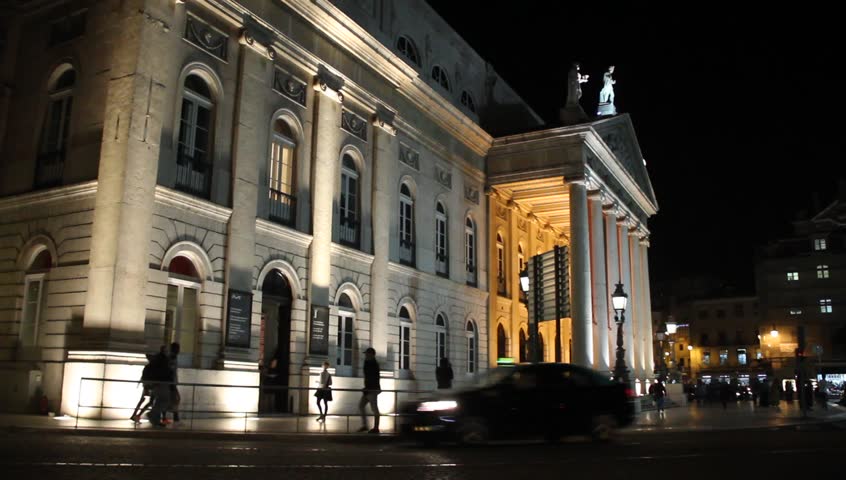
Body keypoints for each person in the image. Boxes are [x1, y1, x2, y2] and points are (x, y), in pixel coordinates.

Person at [130, 347, 164, 424]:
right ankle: (137, 415)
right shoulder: (150, 367)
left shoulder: (149, 366)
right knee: (149, 402)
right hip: (149, 386)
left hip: (148, 385)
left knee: (145, 400)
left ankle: (136, 415)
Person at [146, 346, 172, 427]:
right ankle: (152, 414)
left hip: (156, 383)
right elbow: (166, 371)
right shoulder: (164, 359)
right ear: (164, 351)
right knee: (164, 400)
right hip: (162, 382)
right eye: (167, 351)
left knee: (158, 401)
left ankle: (156, 421)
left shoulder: (157, 359)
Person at [357, 347, 381, 433]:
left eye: (367, 353)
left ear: (371, 355)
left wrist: (373, 388)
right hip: (368, 389)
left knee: (374, 409)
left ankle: (376, 428)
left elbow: (374, 378)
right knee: (361, 406)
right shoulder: (368, 363)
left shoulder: (373, 364)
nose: (365, 355)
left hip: (372, 389)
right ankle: (365, 425)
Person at [166, 342, 181, 423]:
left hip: (172, 382)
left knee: (174, 399)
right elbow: (171, 370)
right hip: (171, 382)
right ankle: (175, 416)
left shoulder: (172, 357)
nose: (179, 350)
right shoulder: (172, 357)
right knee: (176, 398)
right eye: (178, 349)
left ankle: (175, 416)